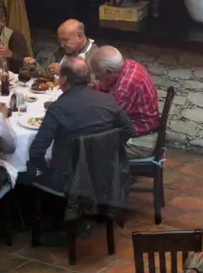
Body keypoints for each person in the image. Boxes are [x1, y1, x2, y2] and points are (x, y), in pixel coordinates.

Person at [25, 56, 134, 194]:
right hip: (104, 174)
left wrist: (45, 170)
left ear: (63, 80)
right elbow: (129, 130)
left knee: (25, 173)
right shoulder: (107, 99)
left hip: (68, 180)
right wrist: (108, 150)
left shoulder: (59, 107)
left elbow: (36, 150)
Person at [90, 46, 160, 157]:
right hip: (137, 130)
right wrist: (89, 87)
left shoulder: (125, 87)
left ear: (109, 72)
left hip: (140, 141)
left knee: (86, 149)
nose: (96, 79)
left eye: (98, 76)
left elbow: (107, 119)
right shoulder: (127, 65)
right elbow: (107, 85)